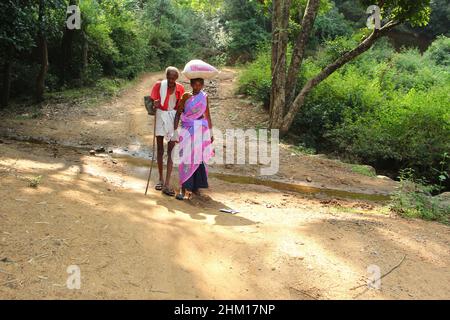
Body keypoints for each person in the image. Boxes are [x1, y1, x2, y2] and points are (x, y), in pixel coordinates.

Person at [174, 78, 214, 200]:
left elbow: (207, 115)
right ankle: (183, 187)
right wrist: (174, 131)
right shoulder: (186, 96)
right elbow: (178, 113)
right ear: (191, 84)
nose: (197, 87)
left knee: (198, 157)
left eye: (200, 85)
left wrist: (211, 132)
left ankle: (196, 187)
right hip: (187, 129)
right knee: (186, 157)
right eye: (195, 85)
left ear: (202, 85)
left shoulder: (204, 96)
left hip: (201, 129)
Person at [149, 67, 185, 196]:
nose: (170, 80)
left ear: (176, 78)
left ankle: (167, 183)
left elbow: (180, 108)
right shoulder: (159, 85)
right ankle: (160, 178)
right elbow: (152, 104)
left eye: (173, 78)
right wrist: (155, 104)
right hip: (160, 115)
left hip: (173, 116)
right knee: (160, 149)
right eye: (169, 77)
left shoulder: (180, 88)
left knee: (171, 150)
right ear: (166, 76)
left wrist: (176, 124)